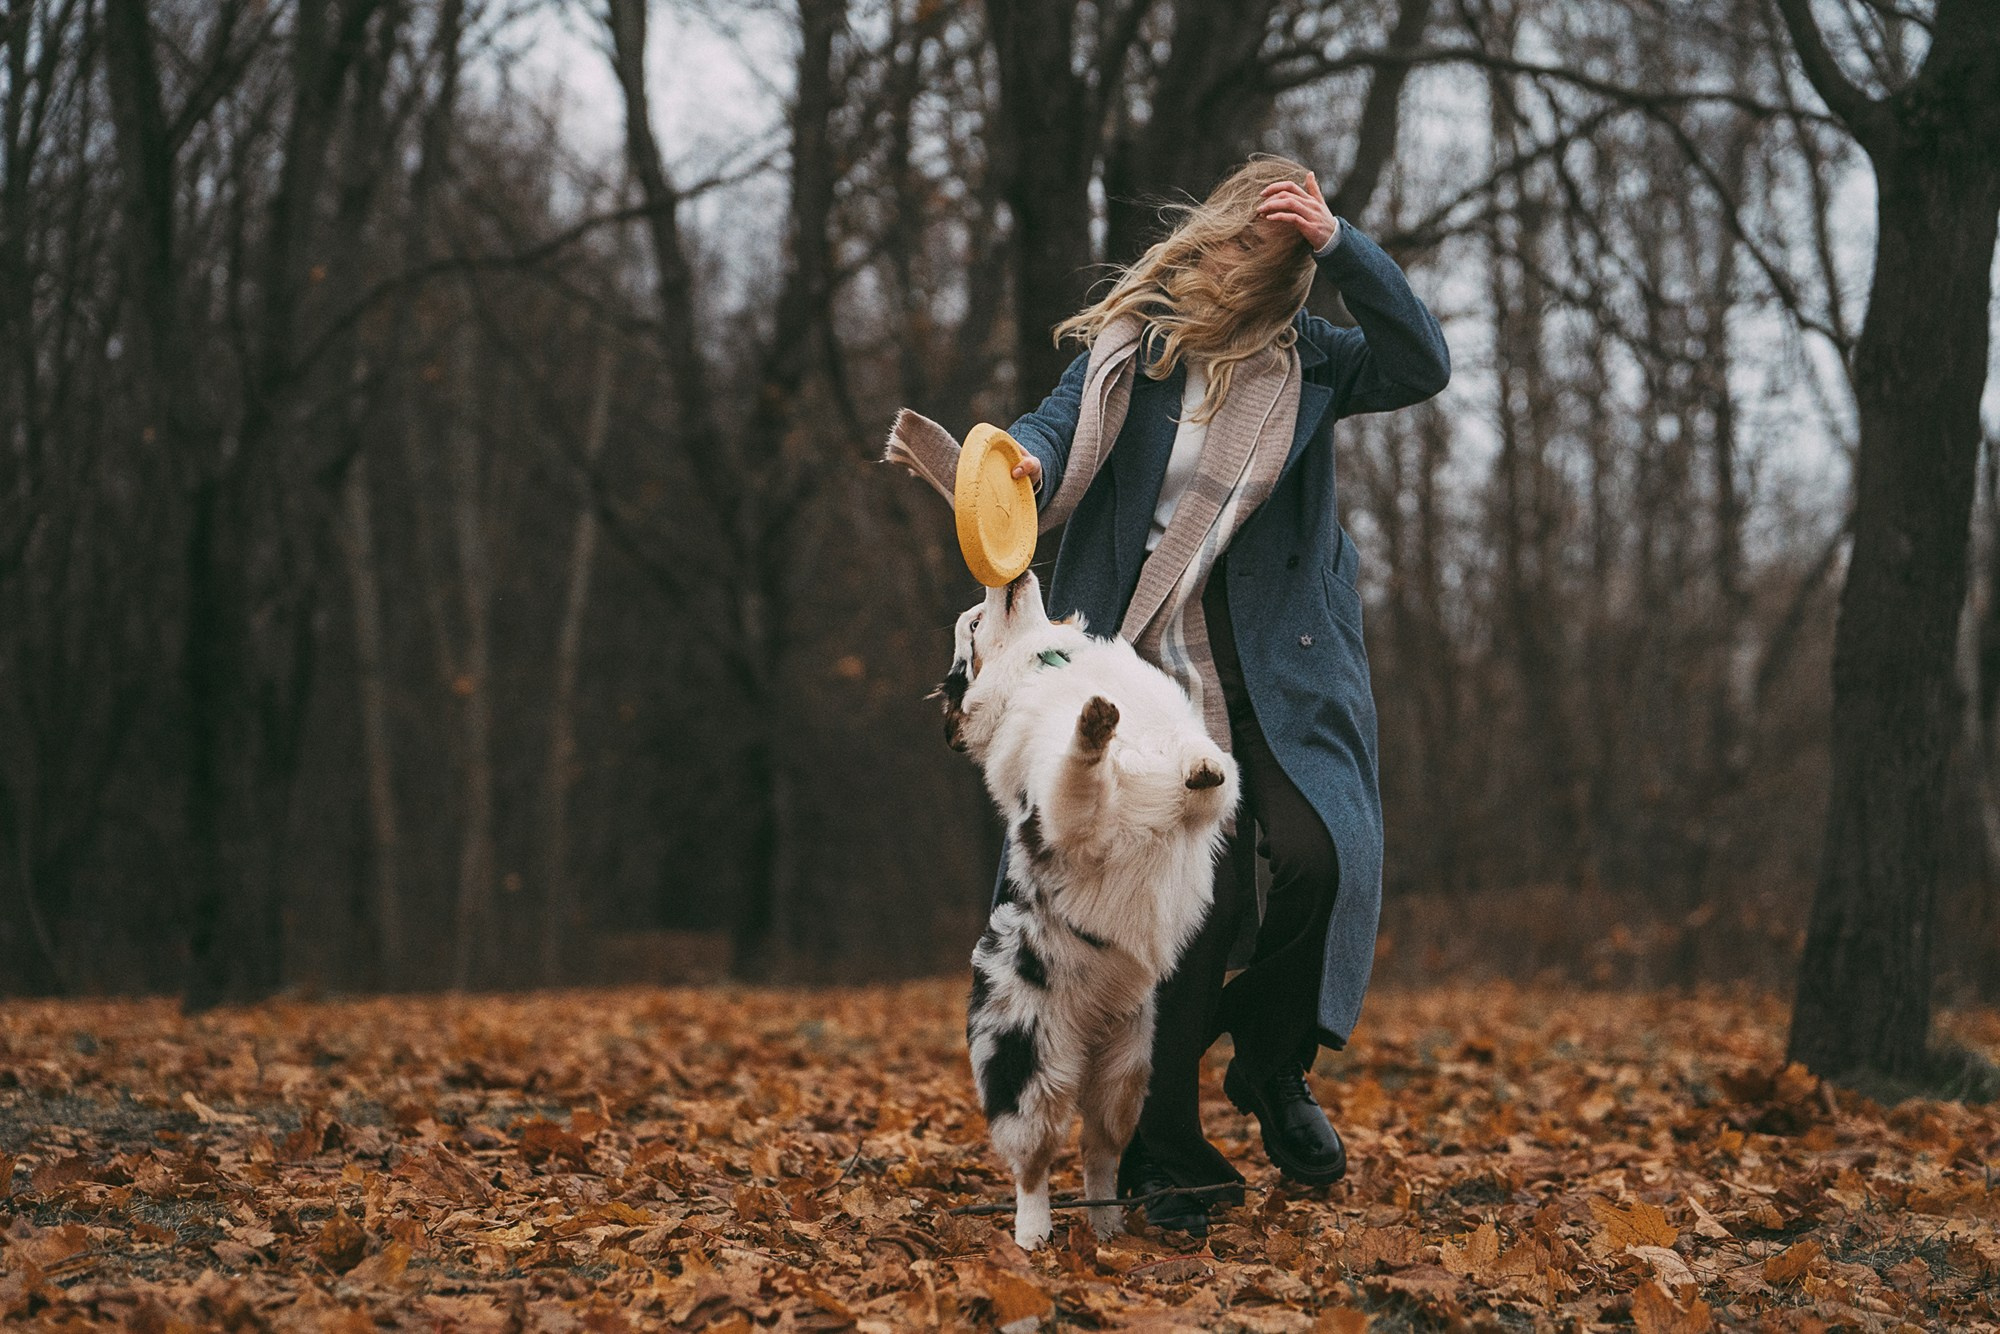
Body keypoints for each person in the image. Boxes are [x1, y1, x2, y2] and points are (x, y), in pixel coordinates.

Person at [997, 156, 1449, 1235]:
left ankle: (1271, 1061)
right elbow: (1055, 431)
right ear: (1218, 226)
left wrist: (1344, 246)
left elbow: (1420, 362)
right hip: (1139, 663)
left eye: (1289, 243)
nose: (1266, 249)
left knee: (1321, 855)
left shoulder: (1317, 358)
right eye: (1257, 226)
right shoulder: (1134, 346)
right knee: (1187, 915)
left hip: (1273, 659)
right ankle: (1170, 1164)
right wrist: (1013, 460)